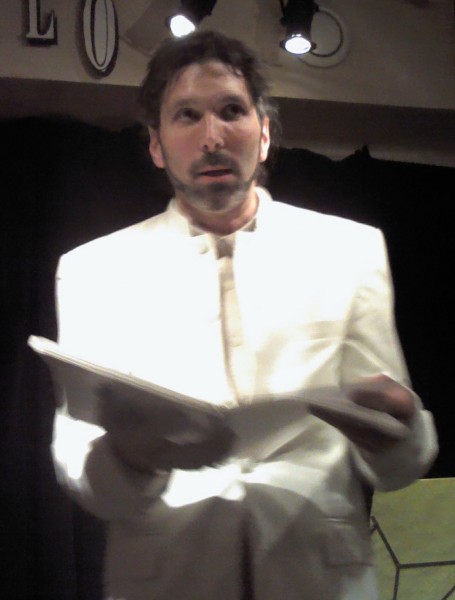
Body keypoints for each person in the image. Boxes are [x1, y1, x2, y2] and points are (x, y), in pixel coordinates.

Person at [52, 30, 438, 600]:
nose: (212, 137)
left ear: (264, 135)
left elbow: (397, 466)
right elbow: (80, 466)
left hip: (320, 581)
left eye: (231, 111)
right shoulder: (94, 270)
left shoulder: (349, 251)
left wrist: (399, 433)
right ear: (156, 145)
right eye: (187, 115)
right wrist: (127, 457)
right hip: (168, 582)